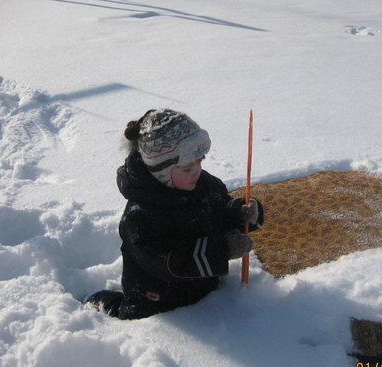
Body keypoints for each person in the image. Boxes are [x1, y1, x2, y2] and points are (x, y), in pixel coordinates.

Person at [85, 108, 264, 320]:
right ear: (162, 172)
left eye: (200, 160)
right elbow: (166, 261)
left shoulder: (202, 184)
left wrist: (241, 214)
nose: (197, 170)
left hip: (203, 285)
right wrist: (222, 250)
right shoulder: (141, 214)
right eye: (187, 168)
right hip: (157, 300)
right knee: (127, 312)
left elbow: (218, 211)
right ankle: (98, 301)